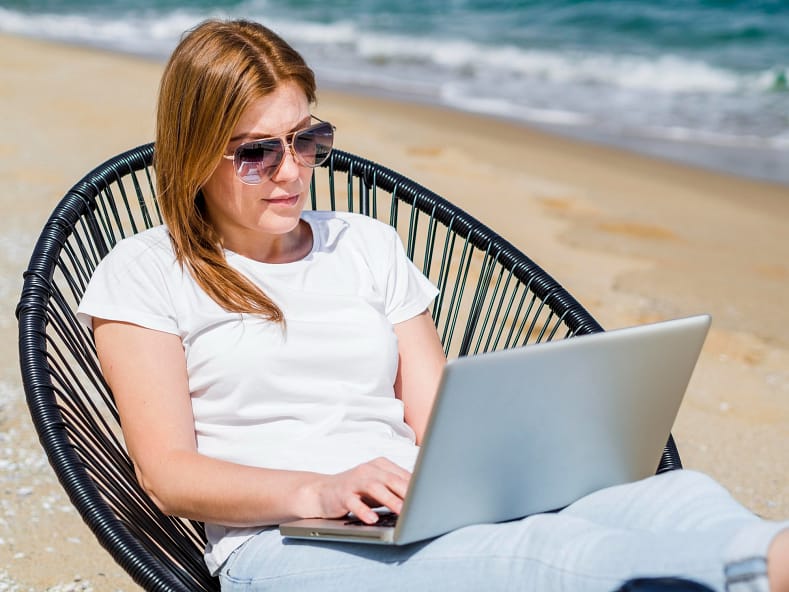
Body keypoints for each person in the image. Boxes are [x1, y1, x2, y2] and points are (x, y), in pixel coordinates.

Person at [76, 18, 789, 592]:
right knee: (548, 554)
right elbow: (167, 475)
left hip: (419, 505)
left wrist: (517, 460)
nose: (292, 172)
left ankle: (761, 559)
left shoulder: (366, 243)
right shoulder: (146, 272)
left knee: (670, 497)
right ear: (196, 153)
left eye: (308, 140)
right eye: (257, 153)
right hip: (284, 542)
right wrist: (320, 492)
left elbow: (434, 411)